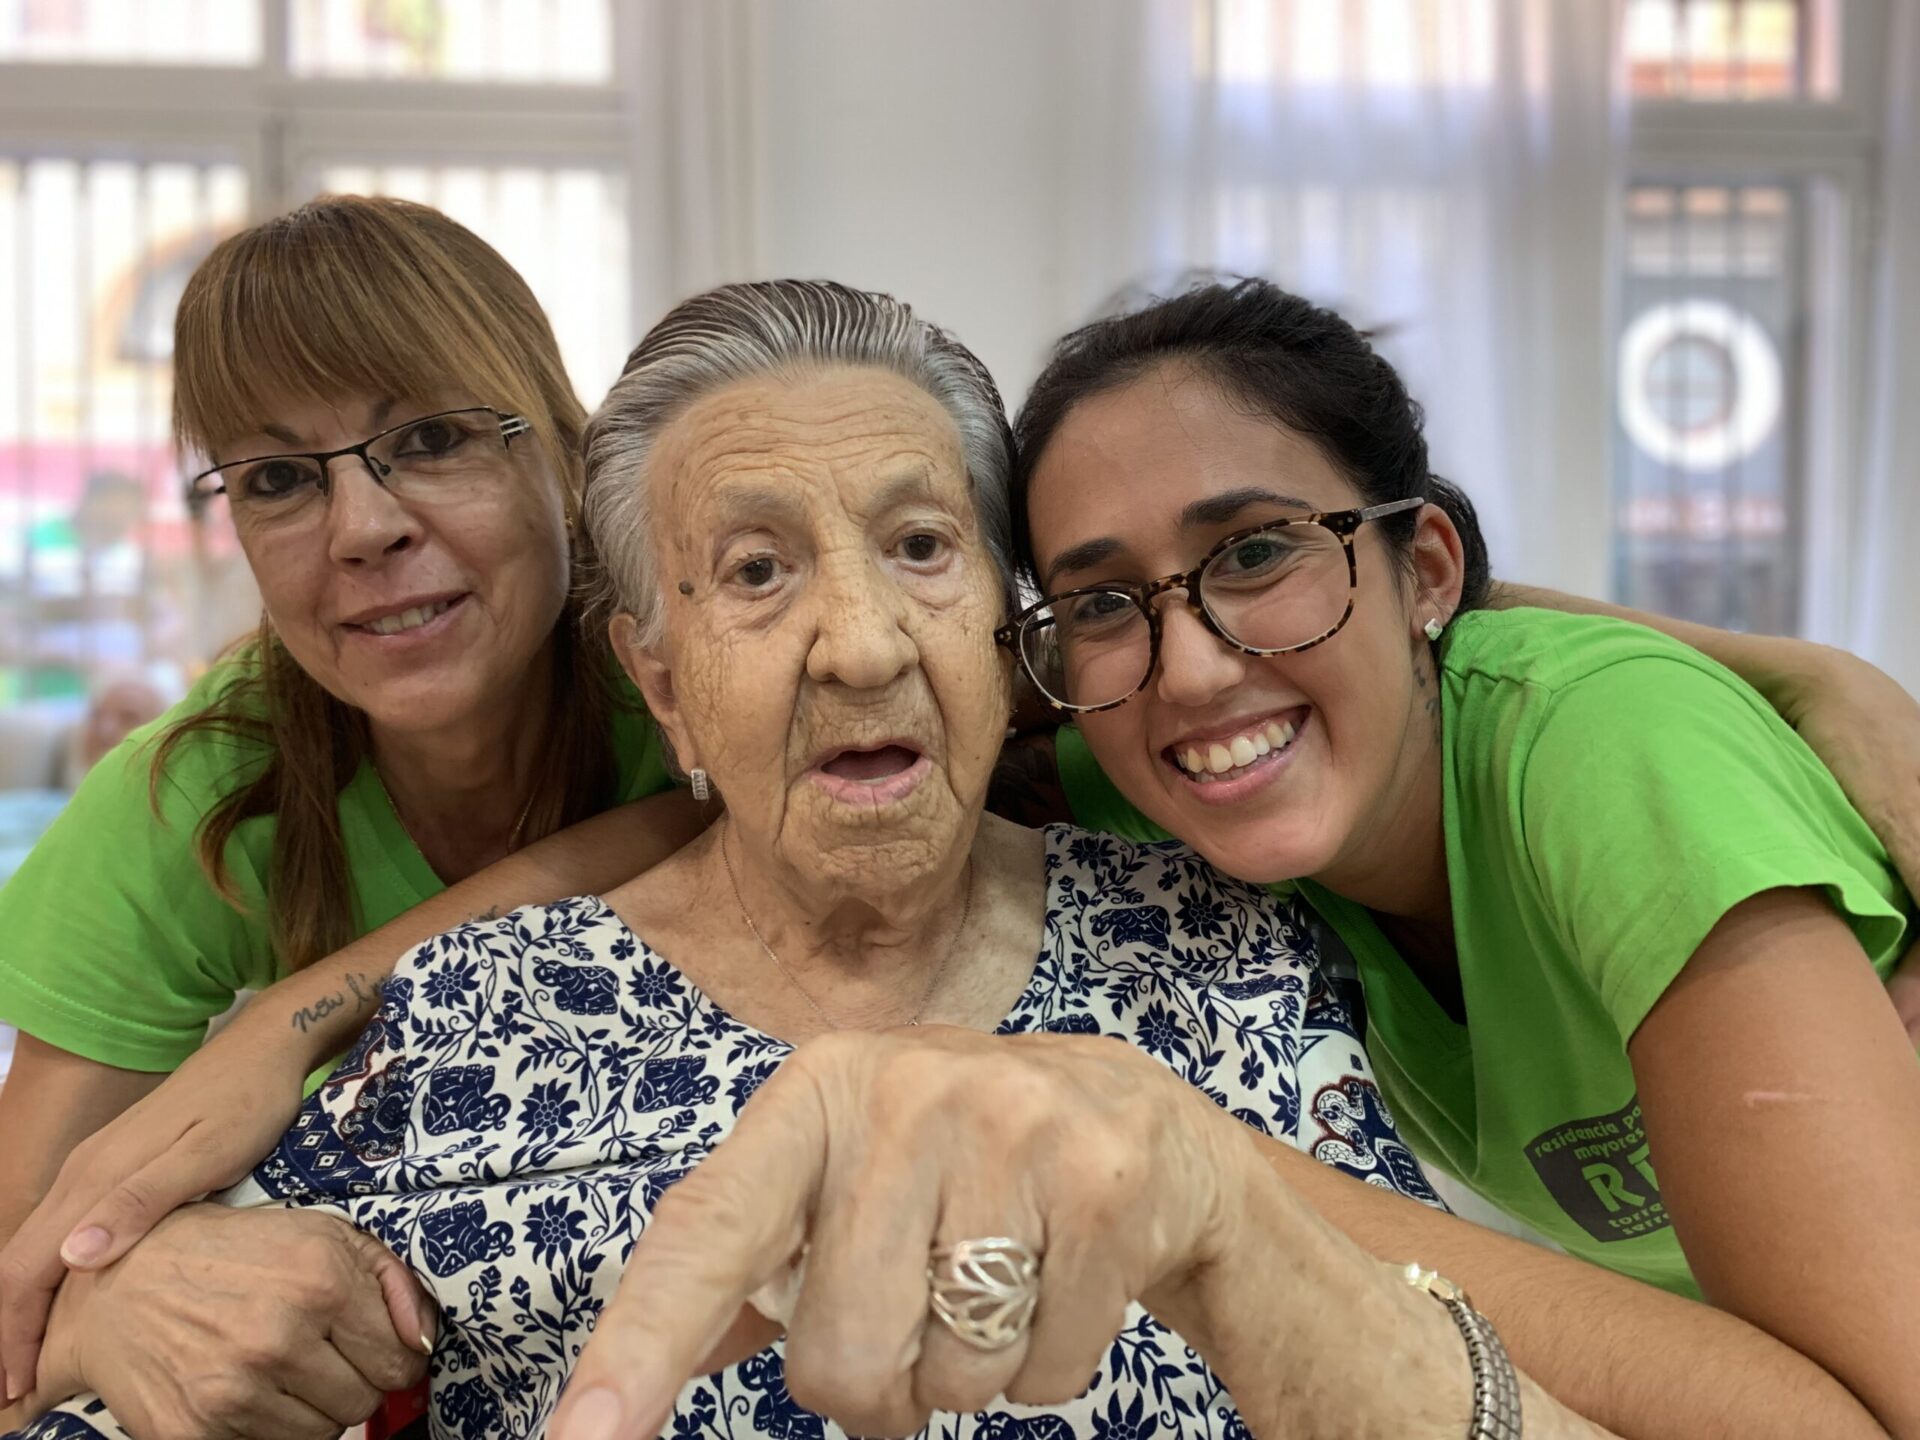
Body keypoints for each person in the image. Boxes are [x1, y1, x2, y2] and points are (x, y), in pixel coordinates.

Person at [9, 282, 1919, 1440]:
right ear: (660, 684)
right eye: (757, 572)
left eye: (925, 549)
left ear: (1004, 651)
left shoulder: (1226, 886)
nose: (859, 642)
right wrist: (148, 1252)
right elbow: (80, 1345)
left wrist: (1795, 670)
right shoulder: (472, 1025)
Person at [991, 280, 1919, 1431]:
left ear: (1426, 569)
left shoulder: (1609, 752)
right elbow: (752, 753)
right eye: (1102, 604)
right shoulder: (1172, 780)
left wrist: (1220, 1186)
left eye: (1255, 550)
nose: (1188, 671)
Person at [0, 195, 707, 1421]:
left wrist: (290, 1023)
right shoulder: (199, 802)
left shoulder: (688, 673)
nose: (366, 529)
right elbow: (10, 1308)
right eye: (277, 477)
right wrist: (104, 1317)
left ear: (564, 446)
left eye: (432, 439)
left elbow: (781, 810)